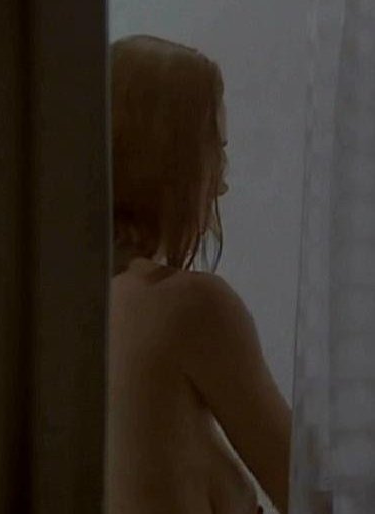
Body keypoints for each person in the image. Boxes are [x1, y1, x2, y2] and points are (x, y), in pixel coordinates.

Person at [107, 35, 291, 514]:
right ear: (175, 162)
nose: (221, 183)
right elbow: (317, 495)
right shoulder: (189, 307)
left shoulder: (60, 314)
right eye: (216, 152)